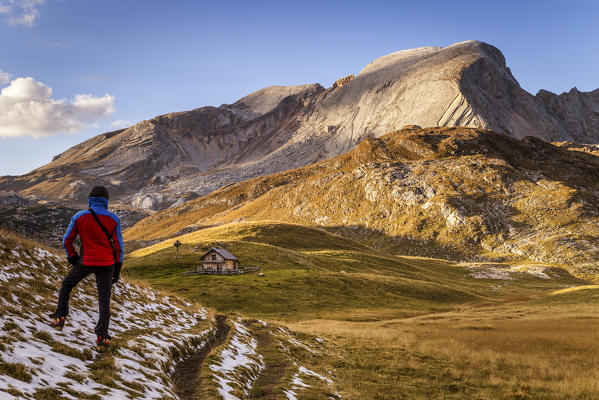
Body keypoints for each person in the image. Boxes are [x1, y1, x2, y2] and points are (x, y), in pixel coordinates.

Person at [49, 186, 124, 350]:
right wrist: (117, 270)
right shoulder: (113, 219)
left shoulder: (79, 216)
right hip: (107, 264)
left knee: (67, 285)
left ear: (90, 199)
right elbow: (119, 247)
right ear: (106, 201)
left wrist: (74, 258)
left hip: (86, 261)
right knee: (104, 301)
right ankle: (102, 339)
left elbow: (66, 241)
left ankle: (60, 318)